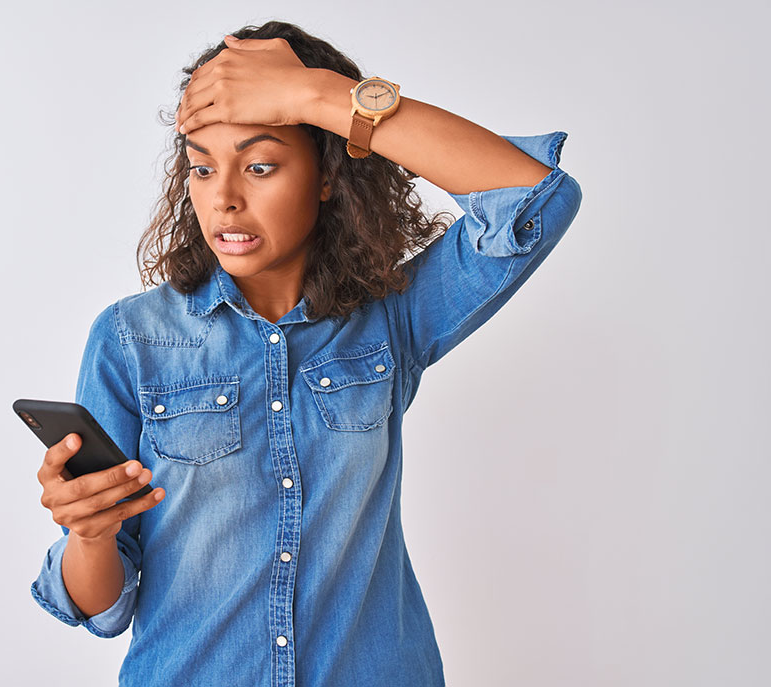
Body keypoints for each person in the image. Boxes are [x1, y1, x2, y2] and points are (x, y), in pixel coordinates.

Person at [31, 19, 582, 687]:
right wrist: (89, 533)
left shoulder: (390, 318)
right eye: (202, 166)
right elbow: (97, 604)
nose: (224, 197)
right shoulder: (132, 339)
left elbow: (533, 200)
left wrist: (323, 97)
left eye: (260, 165)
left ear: (325, 175)